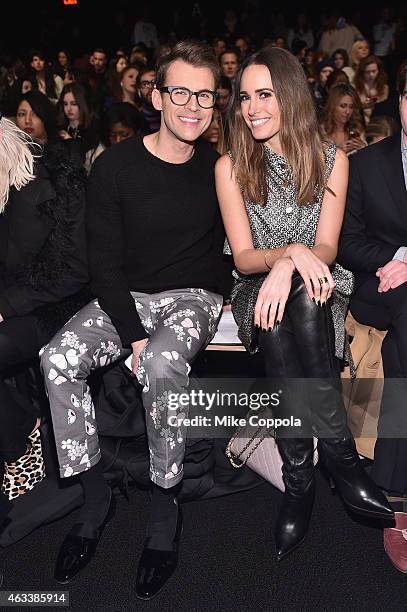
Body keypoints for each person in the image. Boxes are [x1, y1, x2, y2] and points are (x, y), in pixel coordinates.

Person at [41, 40, 225, 598]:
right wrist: (134, 333)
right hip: (129, 296)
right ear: (157, 96)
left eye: (206, 96)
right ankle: (94, 498)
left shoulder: (219, 170)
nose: (193, 105)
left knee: (165, 365)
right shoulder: (116, 167)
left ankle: (165, 506)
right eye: (181, 92)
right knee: (57, 358)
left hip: (194, 296)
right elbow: (104, 266)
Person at [215, 46, 393, 561]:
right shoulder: (230, 166)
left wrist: (294, 262)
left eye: (264, 94)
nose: (252, 108)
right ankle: (338, 456)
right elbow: (246, 259)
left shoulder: (333, 160)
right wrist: (287, 255)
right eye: (245, 97)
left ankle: (300, 480)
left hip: (320, 282)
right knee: (275, 315)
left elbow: (329, 249)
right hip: (258, 288)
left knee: (302, 302)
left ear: (289, 96)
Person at [338, 59, 407, 573]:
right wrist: (392, 261)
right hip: (381, 288)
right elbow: (346, 241)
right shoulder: (367, 163)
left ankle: (394, 485)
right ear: (398, 102)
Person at [0, 111, 88, 501]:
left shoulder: (54, 185)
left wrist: (5, 305)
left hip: (60, 306)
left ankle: (21, 437)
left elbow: (72, 272)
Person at [321, 83, 366, 155]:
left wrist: (364, 149)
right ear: (332, 107)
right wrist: (338, 151)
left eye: (351, 107)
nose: (347, 111)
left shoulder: (357, 130)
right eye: (343, 106)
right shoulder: (321, 132)